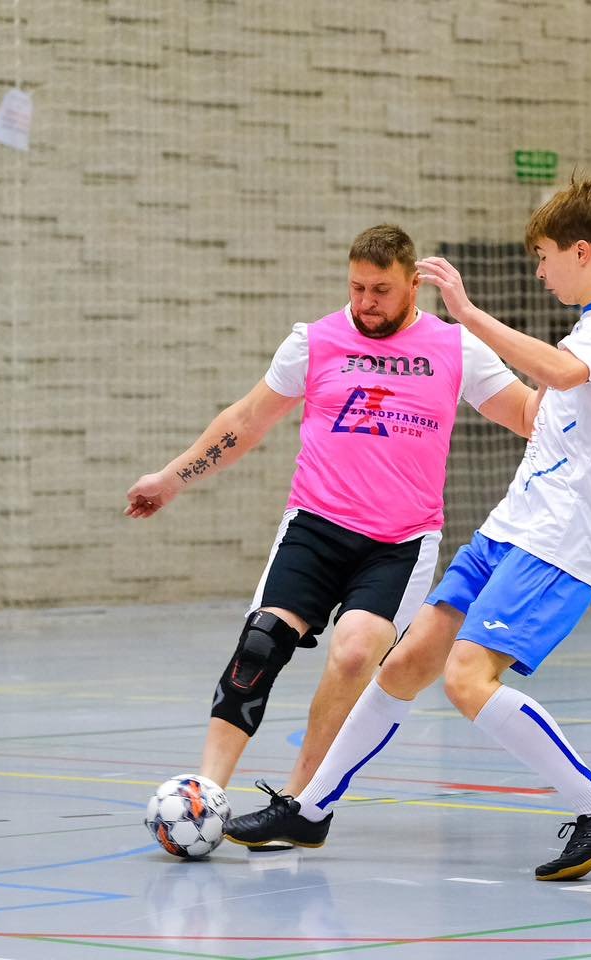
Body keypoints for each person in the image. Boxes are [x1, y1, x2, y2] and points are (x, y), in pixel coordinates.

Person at [222, 177, 591, 882]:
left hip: (558, 538)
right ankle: (309, 810)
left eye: (544, 258)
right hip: (511, 524)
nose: (540, 273)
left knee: (467, 678)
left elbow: (563, 375)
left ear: (581, 252)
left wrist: (467, 315)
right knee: (405, 664)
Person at [125, 225, 537, 806]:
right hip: (315, 526)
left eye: (381, 290)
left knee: (354, 652)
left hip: (398, 544)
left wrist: (578, 378)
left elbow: (527, 415)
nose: (366, 303)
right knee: (260, 644)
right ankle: (207, 788)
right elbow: (246, 420)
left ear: (413, 285)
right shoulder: (314, 342)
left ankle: (296, 803)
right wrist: (172, 477)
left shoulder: (455, 348)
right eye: (357, 288)